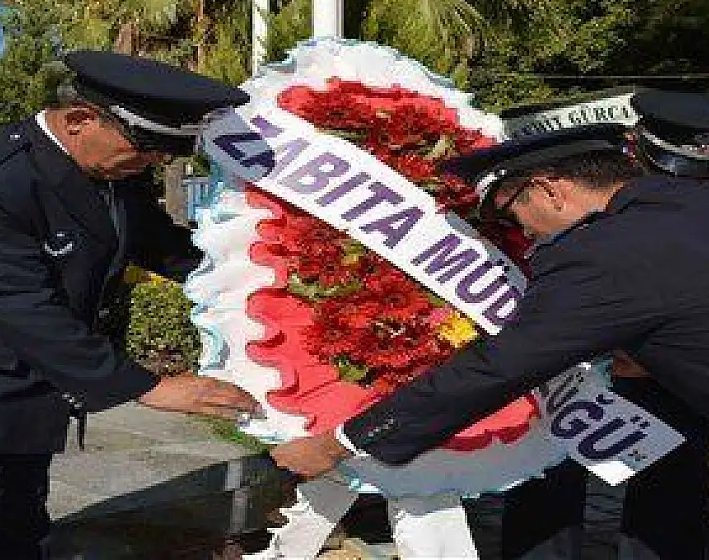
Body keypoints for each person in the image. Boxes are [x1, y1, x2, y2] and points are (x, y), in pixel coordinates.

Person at [0, 50, 260, 559]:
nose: (154, 163)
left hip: (20, 405)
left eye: (166, 154)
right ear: (80, 120)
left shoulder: (112, 171)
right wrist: (149, 387)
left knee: (19, 543)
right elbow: (22, 307)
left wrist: (255, 277)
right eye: (145, 148)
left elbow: (155, 242)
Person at [269, 123, 709, 560]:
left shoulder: (604, 253)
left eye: (509, 213)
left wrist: (337, 444)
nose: (523, 233)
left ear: (548, 190)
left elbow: (499, 367)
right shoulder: (685, 207)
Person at [501, 91, 709, 560]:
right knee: (546, 477)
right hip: (573, 366)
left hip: (666, 378)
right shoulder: (601, 190)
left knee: (669, 497)